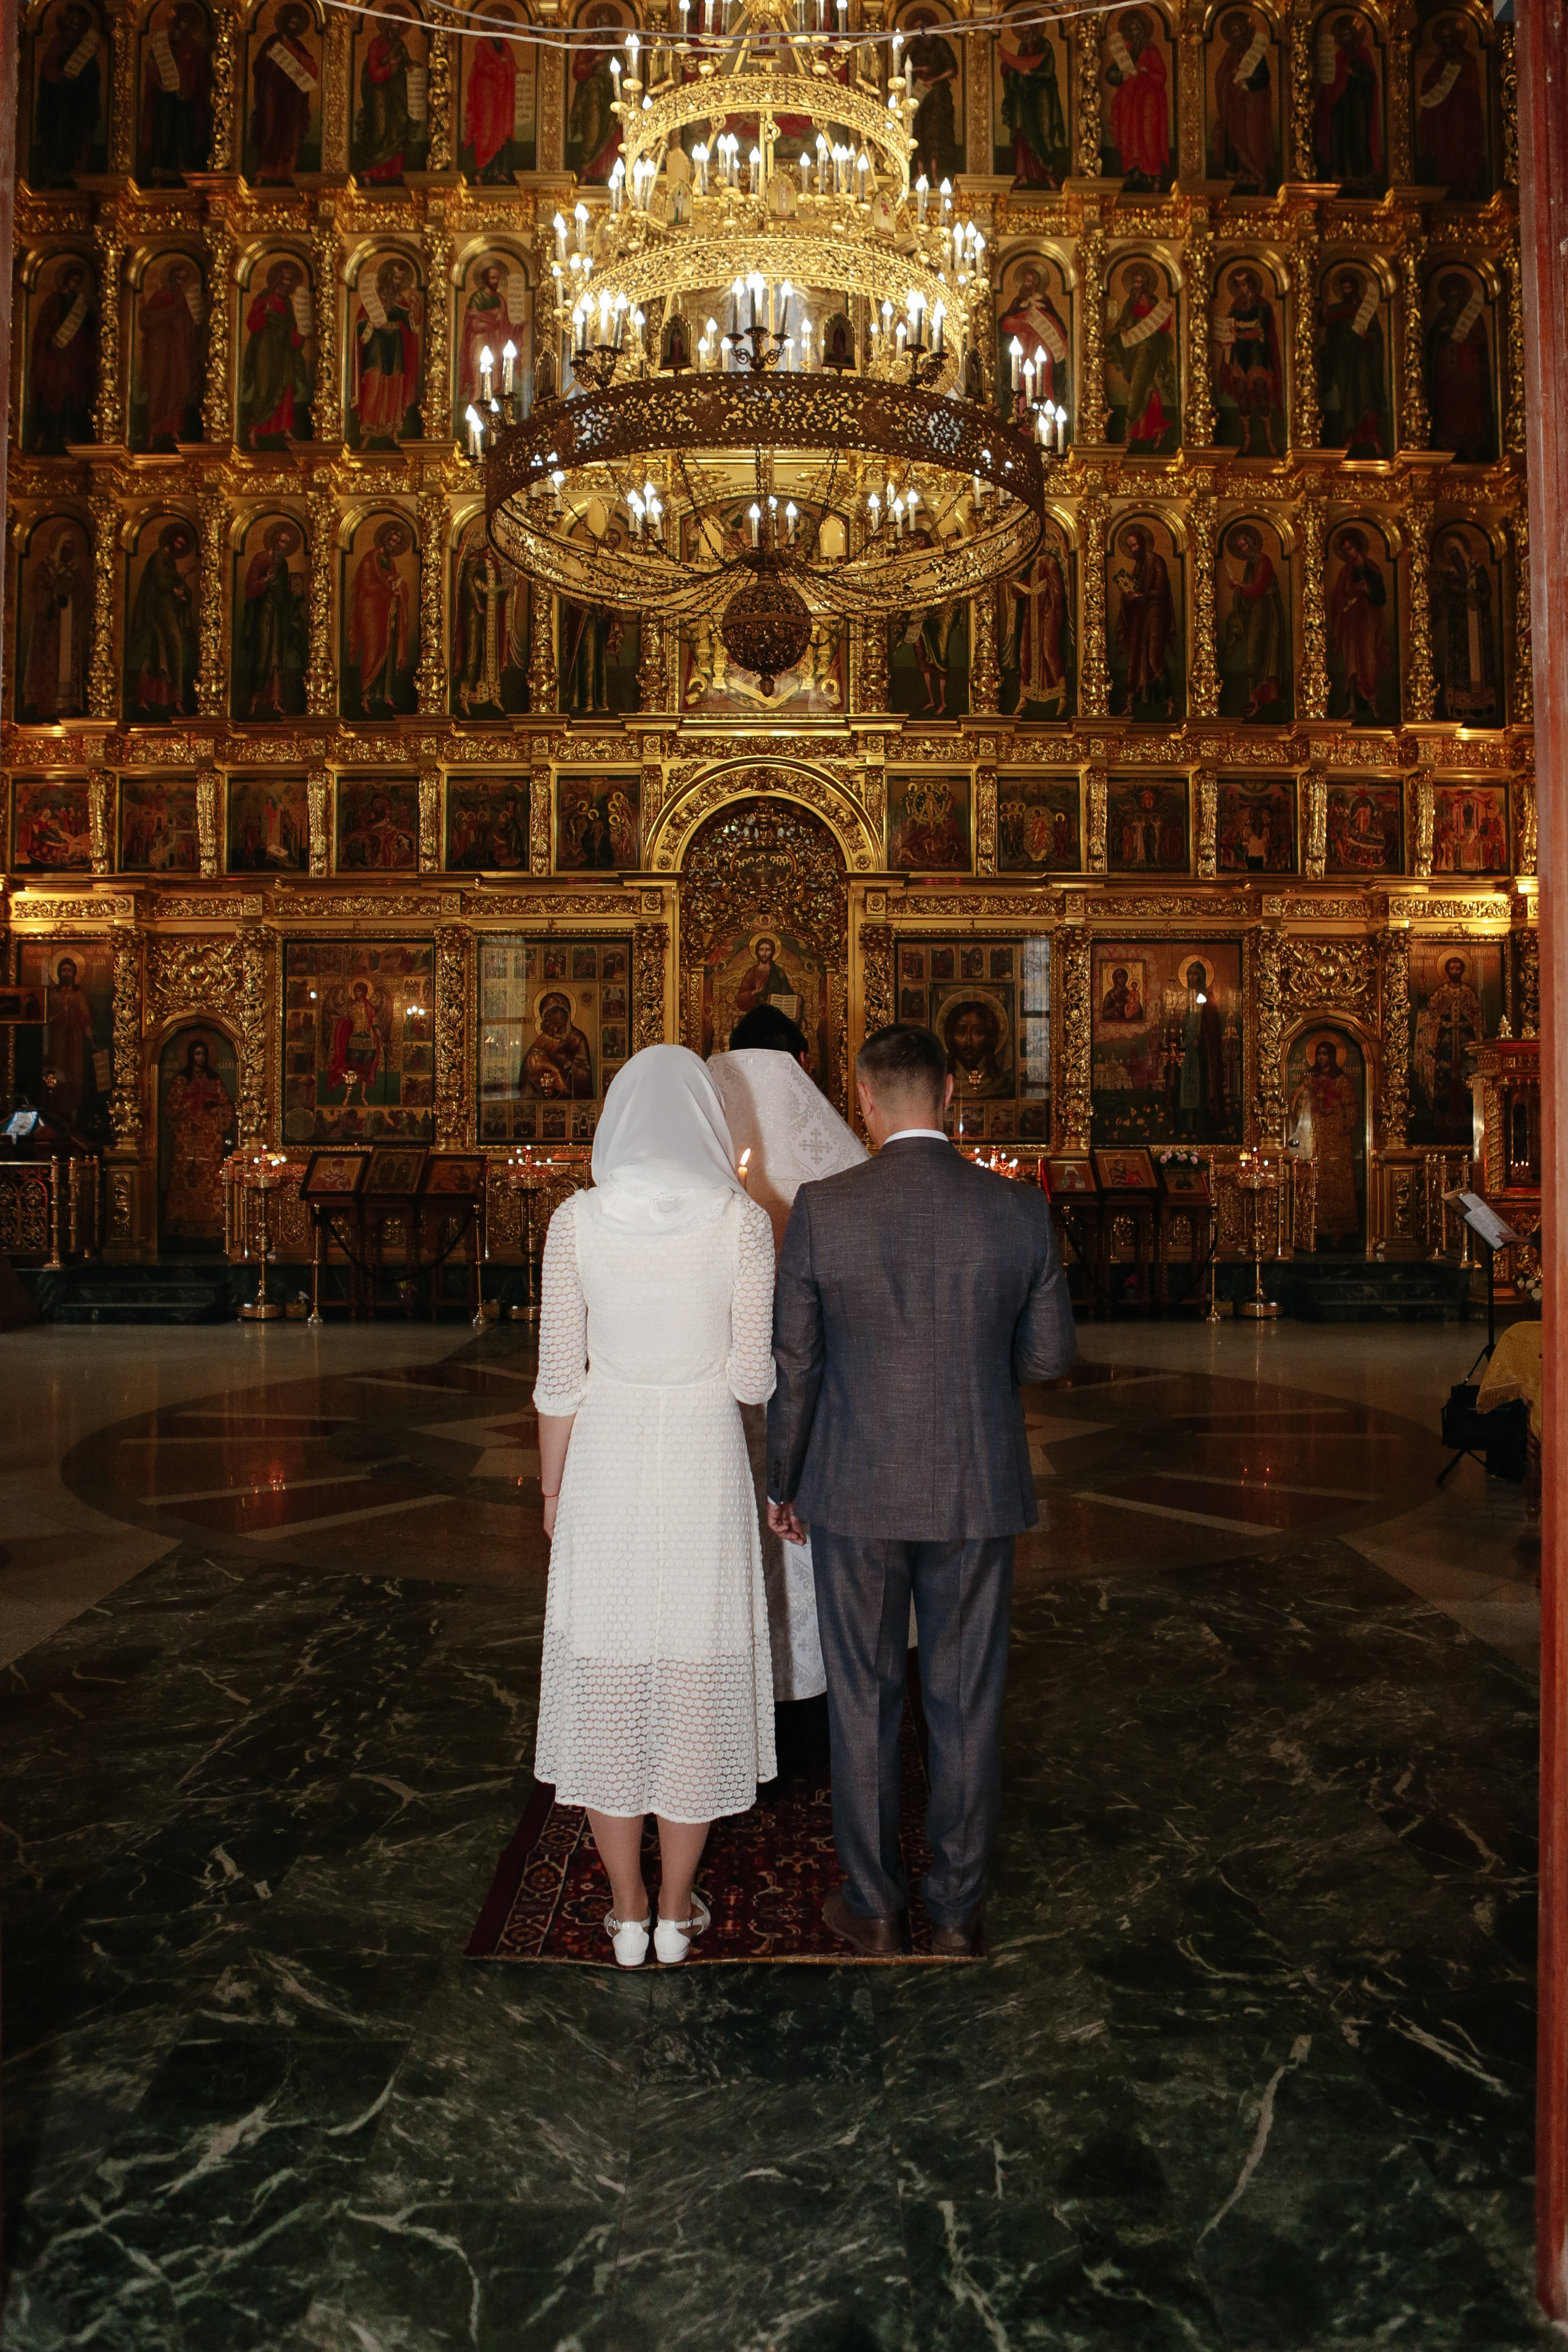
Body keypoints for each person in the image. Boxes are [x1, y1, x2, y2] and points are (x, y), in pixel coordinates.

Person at [767, 1022, 1076, 1957]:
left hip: (854, 1488)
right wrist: (975, 1377)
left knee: (863, 1697)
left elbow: (797, 1366)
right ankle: (956, 1913)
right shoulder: (1019, 1210)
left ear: (864, 1100)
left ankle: (874, 1904)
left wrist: (784, 1480)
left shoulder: (825, 1208)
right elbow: (1050, 1357)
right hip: (976, 1485)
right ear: (949, 1095)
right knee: (966, 1698)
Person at [533, 1046, 778, 1967]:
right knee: (693, 1673)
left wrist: (552, 1490)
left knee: (608, 1671)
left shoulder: (575, 1222)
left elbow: (558, 1382)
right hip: (703, 1458)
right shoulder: (740, 1223)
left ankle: (627, 1912)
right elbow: (752, 1380)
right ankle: (678, 1914)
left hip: (604, 1460)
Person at [708, 1006, 867, 1763]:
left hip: (714, 1394)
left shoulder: (702, 1137)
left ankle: (731, 1710)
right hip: (817, 1393)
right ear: (802, 1063)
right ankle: (812, 1712)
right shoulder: (834, 1152)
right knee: (805, 1545)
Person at [161, 1038, 235, 1239]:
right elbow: (169, 1109)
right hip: (187, 1137)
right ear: (190, 1055)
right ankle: (181, 1223)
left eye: (203, 1054)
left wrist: (217, 1110)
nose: (201, 1058)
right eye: (197, 1053)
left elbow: (229, 1110)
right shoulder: (181, 1080)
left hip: (210, 1139)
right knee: (186, 1176)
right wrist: (187, 1115)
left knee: (211, 1178)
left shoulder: (214, 1079)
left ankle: (214, 1222)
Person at [239, 257, 314, 447]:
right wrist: (265, 314)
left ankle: (286, 430)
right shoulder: (265, 298)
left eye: (291, 280)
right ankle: (253, 431)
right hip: (266, 352)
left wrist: (301, 336)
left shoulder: (287, 302)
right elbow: (251, 323)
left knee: (286, 388)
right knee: (264, 389)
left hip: (284, 353)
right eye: (285, 279)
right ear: (278, 280)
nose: (288, 283)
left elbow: (290, 327)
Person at [236, 519, 307, 717]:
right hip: (264, 613)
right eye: (282, 541)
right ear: (275, 540)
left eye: (287, 543)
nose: (283, 546)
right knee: (263, 653)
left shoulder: (283, 564)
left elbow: (283, 591)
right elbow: (250, 587)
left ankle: (276, 700)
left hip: (279, 614)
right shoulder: (261, 559)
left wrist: (294, 594)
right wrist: (266, 580)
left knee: (277, 655)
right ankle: (254, 699)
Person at [28, 258, 98, 453]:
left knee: (71, 392)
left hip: (73, 356)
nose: (74, 284)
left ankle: (68, 434)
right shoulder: (54, 300)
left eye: (78, 281)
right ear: (66, 280)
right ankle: (43, 435)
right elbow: (44, 324)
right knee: (50, 390)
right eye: (72, 280)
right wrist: (50, 338)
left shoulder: (80, 304)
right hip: (54, 356)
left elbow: (90, 327)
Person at [1317, 269, 1389, 457]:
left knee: (1366, 394)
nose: (1346, 291)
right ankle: (1349, 438)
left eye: (1349, 288)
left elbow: (1376, 335)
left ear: (1356, 288)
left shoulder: (1366, 310)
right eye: (1344, 289)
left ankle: (1374, 438)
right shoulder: (1337, 309)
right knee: (1347, 396)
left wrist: (1368, 336)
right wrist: (1324, 299)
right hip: (1344, 360)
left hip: (1363, 359)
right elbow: (1324, 320)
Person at [1106, 263, 1178, 448]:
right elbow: (1122, 323)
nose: (1137, 286)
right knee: (1149, 386)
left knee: (1137, 388)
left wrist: (1165, 312)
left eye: (1140, 283)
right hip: (1131, 350)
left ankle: (1128, 432)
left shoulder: (1151, 301)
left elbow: (1162, 327)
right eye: (1135, 282)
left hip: (1147, 349)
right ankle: (1155, 430)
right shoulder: (1129, 303)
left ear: (1145, 284)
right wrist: (1121, 329)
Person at [1425, 273, 1496, 462]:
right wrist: (1442, 334)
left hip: (1468, 370)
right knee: (1448, 406)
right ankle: (1447, 443)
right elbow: (1432, 341)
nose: (1454, 293)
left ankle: (1471, 445)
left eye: (1457, 289)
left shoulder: (1472, 315)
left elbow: (1481, 341)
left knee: (1468, 408)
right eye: (1451, 289)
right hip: (1446, 371)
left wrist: (1465, 338)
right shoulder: (1443, 315)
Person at [140, 0, 212, 183]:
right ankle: (162, 168)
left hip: (186, 97)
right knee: (164, 130)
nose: (186, 26)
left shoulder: (193, 47)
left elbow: (200, 72)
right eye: (183, 21)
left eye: (190, 22)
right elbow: (152, 65)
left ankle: (183, 166)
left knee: (185, 131)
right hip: (166, 95)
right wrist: (160, 83)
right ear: (177, 21)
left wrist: (189, 88)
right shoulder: (163, 42)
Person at [22, 528, 89, 722]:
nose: (69, 548)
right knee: (48, 660)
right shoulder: (47, 566)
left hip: (68, 623)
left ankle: (66, 705)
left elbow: (82, 593)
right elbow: (37, 590)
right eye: (66, 544)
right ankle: (45, 705)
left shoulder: (74, 571)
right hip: (49, 626)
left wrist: (70, 600)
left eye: (72, 546)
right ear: (59, 545)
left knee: (66, 662)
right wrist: (51, 599)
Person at [347, 519, 413, 714]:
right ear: (385, 539)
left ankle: (386, 694)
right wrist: (388, 582)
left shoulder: (390, 562)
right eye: (392, 540)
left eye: (397, 542)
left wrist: (398, 588)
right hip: (371, 611)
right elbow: (366, 587)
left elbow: (392, 585)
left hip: (386, 611)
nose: (393, 544)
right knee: (373, 649)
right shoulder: (371, 558)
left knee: (388, 650)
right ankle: (365, 696)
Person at [1220, 523, 1286, 718]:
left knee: (1262, 653)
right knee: (1253, 653)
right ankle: (1255, 700)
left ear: (1252, 543)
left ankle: (1265, 699)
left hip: (1267, 612)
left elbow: (1258, 588)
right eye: (1240, 547)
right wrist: (1239, 588)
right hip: (1257, 610)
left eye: (1245, 545)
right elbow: (1250, 591)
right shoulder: (1251, 564)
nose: (1243, 549)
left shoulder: (1263, 561)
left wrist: (1241, 586)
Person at [1112, 525, 1177, 718]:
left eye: (1135, 545)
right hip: (1140, 616)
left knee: (1154, 657)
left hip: (1155, 613)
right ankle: (1131, 703)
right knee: (1134, 659)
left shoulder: (1156, 561)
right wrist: (1128, 596)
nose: (1134, 550)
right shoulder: (1138, 567)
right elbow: (1133, 593)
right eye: (1130, 547)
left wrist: (1143, 595)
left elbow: (1161, 589)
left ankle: (1170, 700)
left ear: (1142, 542)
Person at [1415, 15, 1484, 196]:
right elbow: (1428, 81)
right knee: (1444, 145)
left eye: (1451, 37)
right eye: (1445, 38)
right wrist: (1437, 81)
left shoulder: (1467, 59)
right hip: (1443, 113)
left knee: (1461, 143)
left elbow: (1473, 83)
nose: (1449, 41)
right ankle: (1446, 181)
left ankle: (1465, 181)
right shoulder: (1440, 60)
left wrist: (1457, 80)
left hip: (1463, 111)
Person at [34, 2, 103, 183]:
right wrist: (62, 77)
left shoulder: (85, 49)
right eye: (71, 21)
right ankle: (54, 172)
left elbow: (92, 79)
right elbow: (48, 71)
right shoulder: (57, 44)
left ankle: (77, 170)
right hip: (57, 102)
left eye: (77, 23)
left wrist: (79, 78)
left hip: (80, 104)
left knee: (79, 135)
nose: (73, 26)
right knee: (57, 134)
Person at [998, 12, 1067, 186]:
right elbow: (1019, 68)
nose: (1025, 34)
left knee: (1044, 132)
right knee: (1021, 131)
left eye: (1027, 30)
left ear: (1035, 29)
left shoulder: (1045, 45)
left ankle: (1049, 173)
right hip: (1024, 96)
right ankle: (1023, 174)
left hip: (1042, 93)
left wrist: (1032, 74)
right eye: (1022, 31)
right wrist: (1009, 69)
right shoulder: (1022, 48)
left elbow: (1049, 72)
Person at [1313, 12, 1381, 190]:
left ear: (1354, 36)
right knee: (1340, 141)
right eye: (1342, 36)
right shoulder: (1339, 57)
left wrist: (1354, 75)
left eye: (1348, 35)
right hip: (1340, 106)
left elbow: (1371, 81)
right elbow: (1331, 81)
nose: (1346, 39)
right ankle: (1342, 178)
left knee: (1359, 140)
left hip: (1359, 105)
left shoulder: (1363, 54)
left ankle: (1363, 180)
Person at [249, 1, 316, 180]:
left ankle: (285, 170)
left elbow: (311, 72)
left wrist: (297, 56)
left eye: (296, 24)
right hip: (272, 93)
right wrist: (269, 56)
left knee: (290, 131)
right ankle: (266, 167)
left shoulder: (298, 46)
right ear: (284, 22)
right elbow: (258, 67)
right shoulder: (272, 42)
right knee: (270, 128)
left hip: (292, 97)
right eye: (291, 22)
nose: (293, 26)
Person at [1210, 10, 1275, 189]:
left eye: (1238, 31)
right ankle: (1234, 175)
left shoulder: (1255, 53)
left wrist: (1248, 84)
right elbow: (1221, 75)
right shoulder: (1230, 52)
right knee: (1232, 137)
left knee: (1251, 138)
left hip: (1252, 104)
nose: (1236, 35)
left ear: (1245, 31)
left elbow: (1264, 78)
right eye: (1233, 32)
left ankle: (1255, 174)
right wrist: (1231, 76)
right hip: (1232, 105)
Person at [1104, 9, 1169, 187]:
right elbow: (1111, 73)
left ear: (1143, 30)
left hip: (1148, 100)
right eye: (1131, 30)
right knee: (1128, 135)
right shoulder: (1125, 50)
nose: (1134, 34)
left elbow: (1161, 76)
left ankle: (1151, 172)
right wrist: (1121, 75)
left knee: (1148, 135)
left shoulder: (1151, 51)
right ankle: (1132, 170)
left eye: (1137, 30)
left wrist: (1147, 71)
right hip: (1128, 100)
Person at [464, 4, 518, 181]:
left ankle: (500, 172)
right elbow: (482, 66)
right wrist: (500, 64)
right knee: (486, 128)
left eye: (502, 22)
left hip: (503, 95)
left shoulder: (505, 45)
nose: (499, 25)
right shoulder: (483, 44)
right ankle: (481, 169)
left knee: (502, 129)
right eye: (496, 21)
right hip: (486, 92)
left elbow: (512, 65)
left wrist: (514, 69)